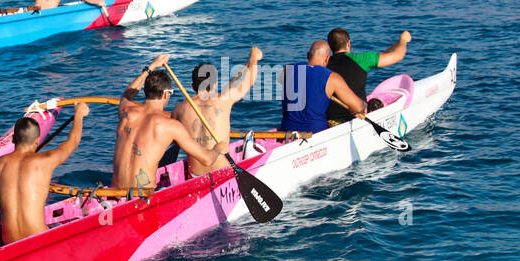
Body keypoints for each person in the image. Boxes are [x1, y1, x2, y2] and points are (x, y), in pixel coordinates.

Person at [0, 102, 90, 242]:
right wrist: (79, 114)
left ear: (13, 139)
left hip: (10, 242)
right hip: (39, 239)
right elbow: (73, 141)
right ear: (37, 142)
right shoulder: (46, 161)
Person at [114, 54, 226, 188]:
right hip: (144, 198)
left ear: (145, 91)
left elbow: (127, 94)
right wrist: (218, 149)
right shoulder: (171, 126)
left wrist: (151, 67)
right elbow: (207, 159)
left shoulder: (126, 111)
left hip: (116, 194)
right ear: (166, 94)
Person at [169, 47, 264, 178]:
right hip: (222, 172)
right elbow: (249, 81)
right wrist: (253, 59)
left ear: (193, 86)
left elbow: (173, 139)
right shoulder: (224, 100)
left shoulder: (180, 108)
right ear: (214, 84)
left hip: (195, 174)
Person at [281, 40, 369, 134]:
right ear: (327, 59)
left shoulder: (287, 69)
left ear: (307, 55)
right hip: (316, 134)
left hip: (286, 132)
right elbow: (358, 107)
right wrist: (364, 106)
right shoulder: (332, 78)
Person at [325, 26, 411, 119]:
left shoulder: (323, 65)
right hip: (358, 117)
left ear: (330, 47)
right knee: (375, 103)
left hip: (330, 119)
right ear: (349, 44)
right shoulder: (362, 59)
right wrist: (403, 41)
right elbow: (398, 56)